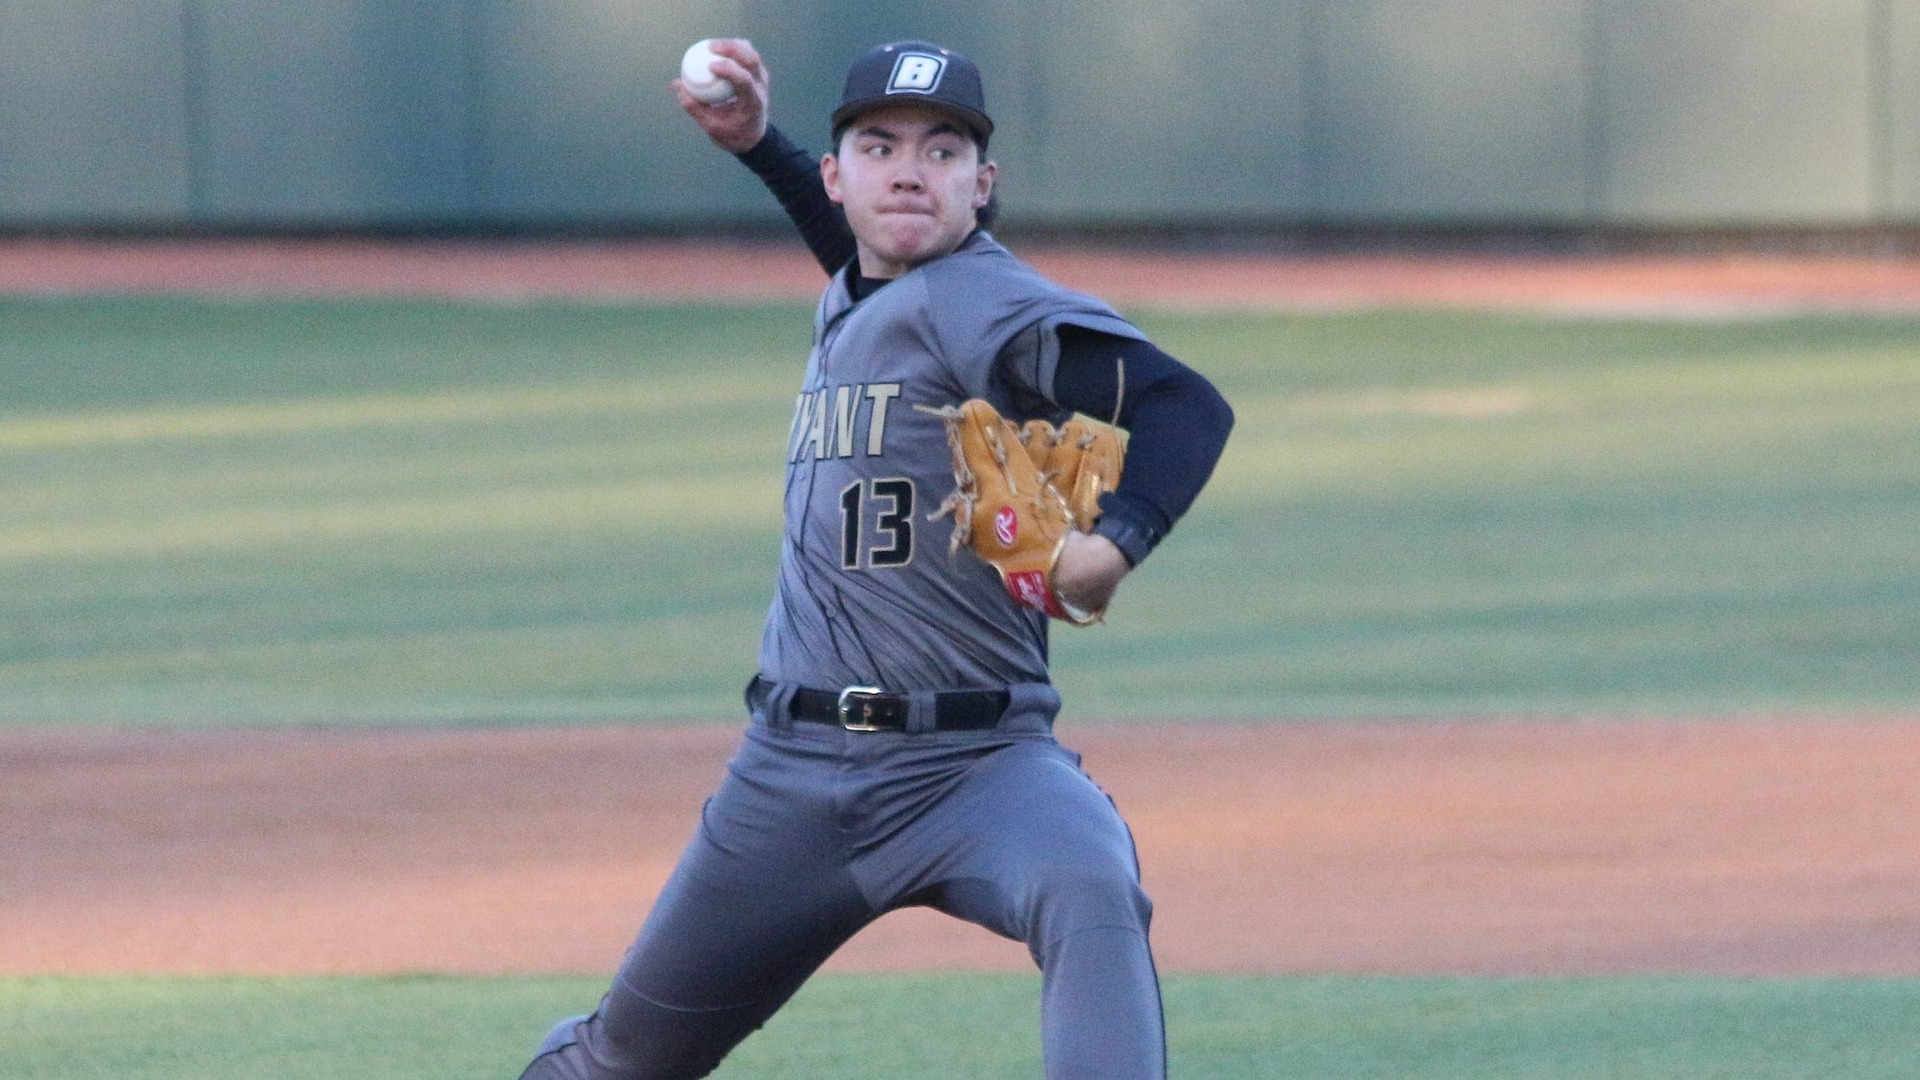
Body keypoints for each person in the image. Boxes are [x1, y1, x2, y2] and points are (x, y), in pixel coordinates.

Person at [516, 38, 1233, 1080]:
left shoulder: (982, 299)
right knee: (624, 1058)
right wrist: (757, 145)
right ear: (836, 177)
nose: (909, 171)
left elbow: (1184, 405)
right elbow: (860, 256)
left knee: (1088, 887)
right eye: (879, 147)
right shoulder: (870, 289)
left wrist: (1114, 544)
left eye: (943, 151)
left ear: (981, 186)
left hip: (980, 768)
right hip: (790, 783)